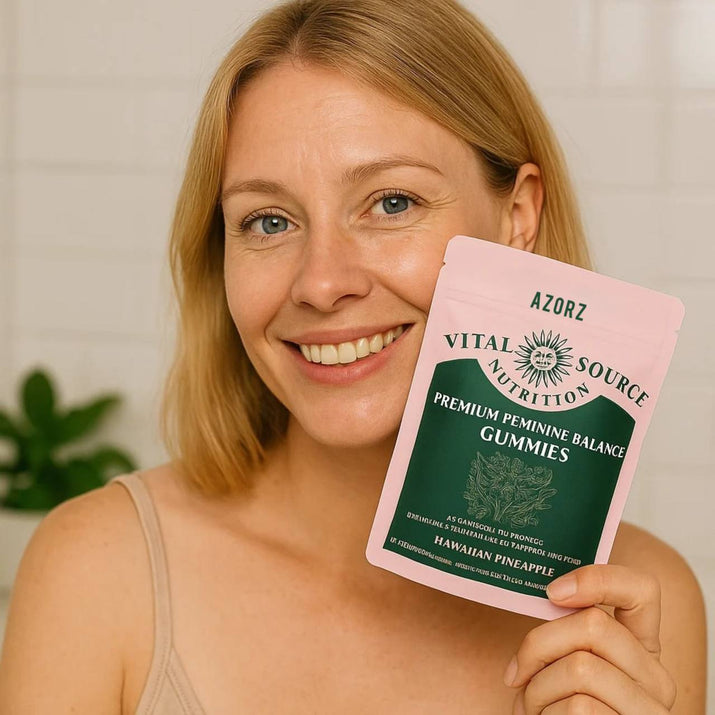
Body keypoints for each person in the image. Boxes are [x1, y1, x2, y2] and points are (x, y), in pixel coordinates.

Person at [0, 0, 707, 712]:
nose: (321, 283)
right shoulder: (97, 570)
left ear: (515, 218)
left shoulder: (633, 612)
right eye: (268, 221)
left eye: (392, 203)